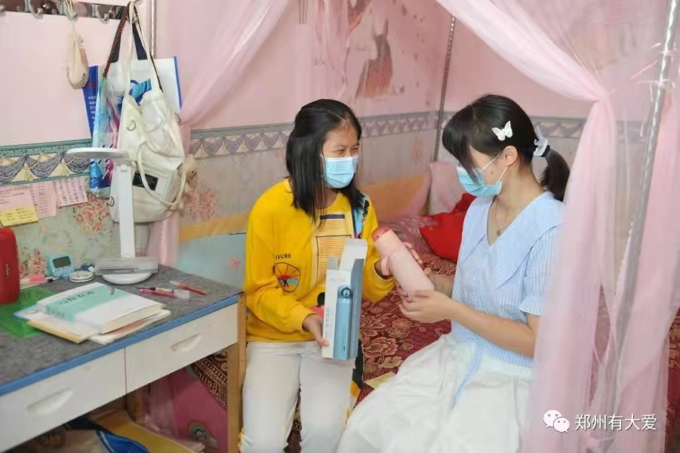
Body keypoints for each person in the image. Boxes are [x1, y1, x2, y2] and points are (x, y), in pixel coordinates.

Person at [338, 94, 571, 453]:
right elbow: (473, 286)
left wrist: (450, 310)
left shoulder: (553, 229)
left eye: (467, 161)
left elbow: (536, 342)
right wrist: (437, 286)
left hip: (512, 377)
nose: (462, 171)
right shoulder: (479, 210)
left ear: (508, 156)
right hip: (456, 354)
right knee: (367, 427)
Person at [241, 99, 397, 453]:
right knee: (262, 443)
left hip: (334, 336)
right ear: (309, 151)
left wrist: (381, 269)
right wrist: (305, 318)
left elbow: (368, 287)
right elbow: (259, 291)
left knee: (325, 436)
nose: (350, 159)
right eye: (340, 150)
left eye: (355, 149)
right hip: (273, 337)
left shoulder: (360, 208)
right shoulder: (270, 208)